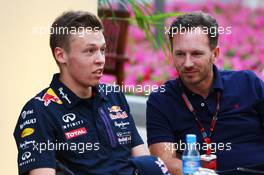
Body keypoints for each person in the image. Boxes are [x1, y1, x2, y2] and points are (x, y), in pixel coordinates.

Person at [13, 10, 152, 175]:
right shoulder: (39, 111)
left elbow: (144, 161)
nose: (100, 59)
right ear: (61, 55)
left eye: (102, 50)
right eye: (90, 51)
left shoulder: (114, 96)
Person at [146, 11, 264, 175]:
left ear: (215, 54)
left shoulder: (248, 83)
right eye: (180, 54)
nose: (187, 63)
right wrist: (197, 173)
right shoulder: (161, 99)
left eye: (196, 54)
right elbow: (164, 161)